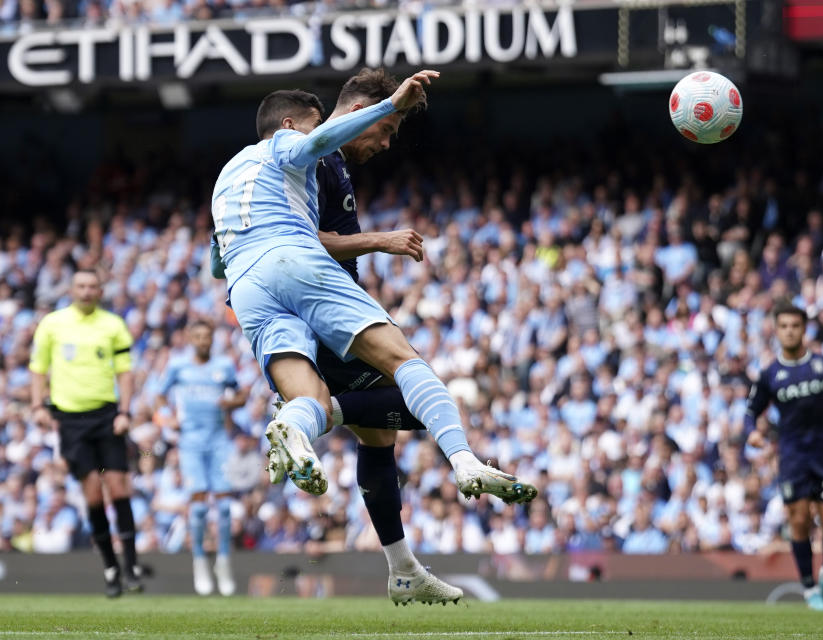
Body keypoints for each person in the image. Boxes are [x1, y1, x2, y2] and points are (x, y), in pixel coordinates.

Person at [209, 65, 536, 557]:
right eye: (385, 131)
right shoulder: (289, 146)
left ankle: (296, 430)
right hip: (295, 263)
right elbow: (304, 149)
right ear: (293, 125)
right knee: (406, 366)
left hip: (247, 287)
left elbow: (217, 261)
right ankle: (465, 461)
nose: (386, 143)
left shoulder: (227, 176)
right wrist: (392, 105)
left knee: (325, 408)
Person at [29, 269, 144, 598]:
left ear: (100, 290)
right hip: (70, 420)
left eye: (92, 286)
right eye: (80, 285)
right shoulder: (52, 324)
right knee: (93, 493)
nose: (86, 291)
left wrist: (124, 412)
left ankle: (132, 564)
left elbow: (125, 373)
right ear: (71, 288)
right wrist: (38, 406)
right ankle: (111, 568)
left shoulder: (113, 325)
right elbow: (38, 368)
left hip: (107, 415)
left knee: (119, 487)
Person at [745, 303, 823, 610]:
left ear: (804, 329)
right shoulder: (770, 374)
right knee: (799, 520)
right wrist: (752, 432)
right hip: (792, 457)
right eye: (784, 326)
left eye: (795, 325)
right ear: (776, 331)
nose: (790, 331)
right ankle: (808, 588)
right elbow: (752, 410)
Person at [157, 319, 248, 596]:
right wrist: (168, 418)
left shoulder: (223, 366)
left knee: (223, 508)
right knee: (197, 508)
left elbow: (241, 394)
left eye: (206, 336)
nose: (202, 341)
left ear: (212, 339)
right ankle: (199, 561)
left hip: (219, 443)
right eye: (197, 336)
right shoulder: (177, 366)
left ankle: (223, 562)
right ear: (189, 338)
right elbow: (159, 398)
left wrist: (232, 401)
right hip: (191, 445)